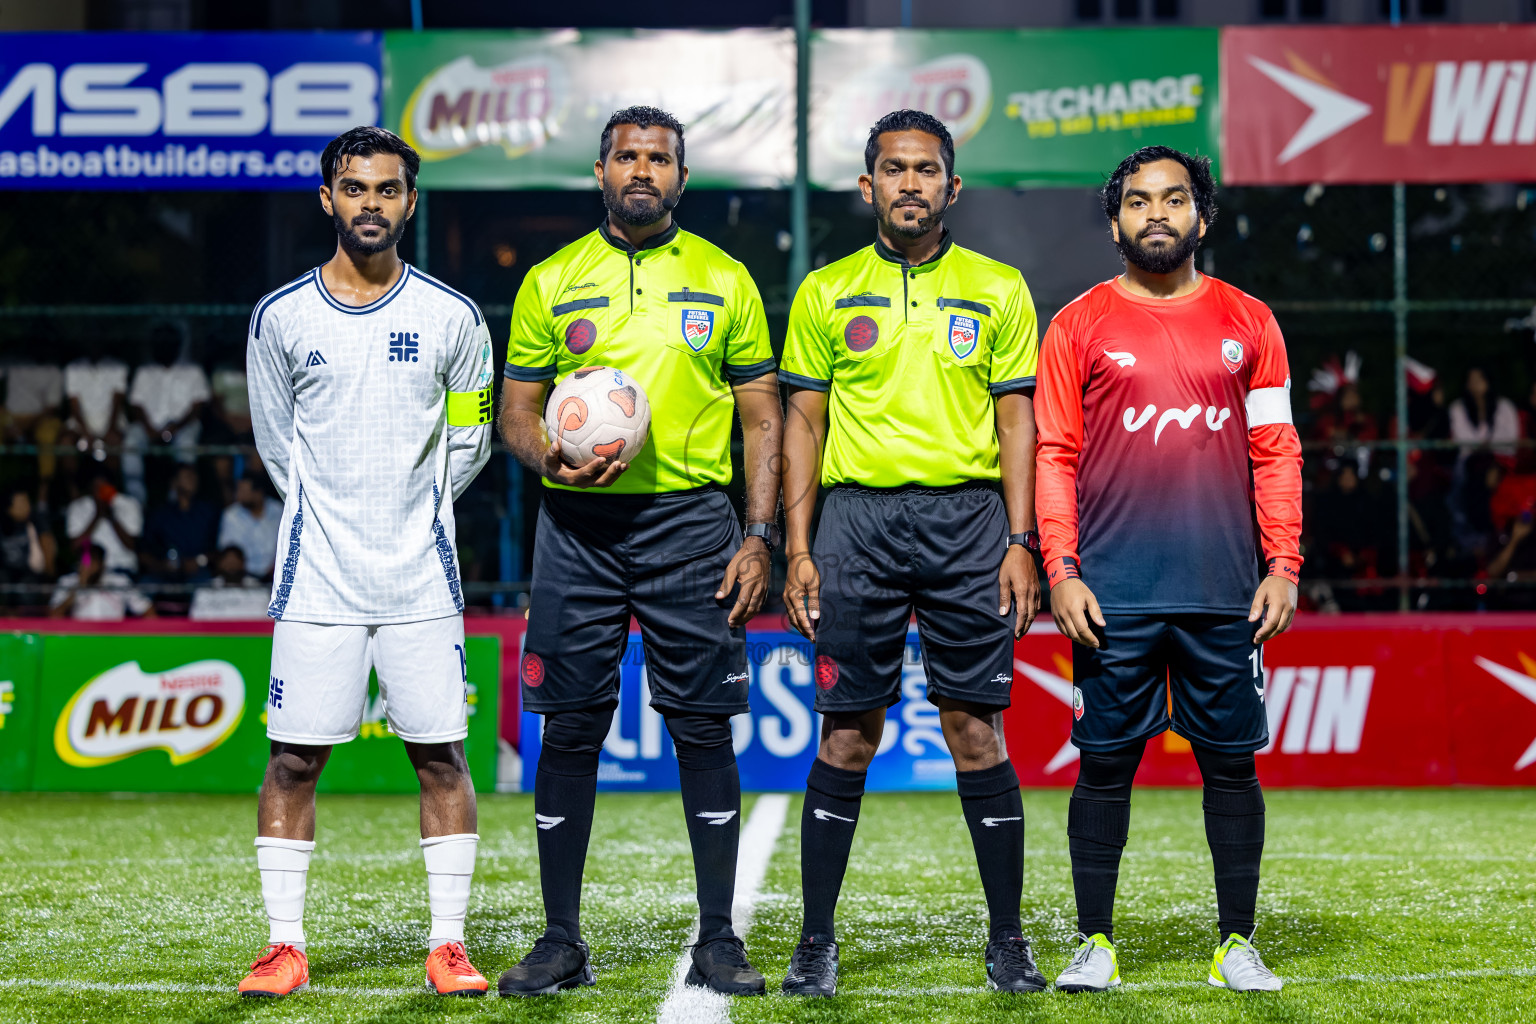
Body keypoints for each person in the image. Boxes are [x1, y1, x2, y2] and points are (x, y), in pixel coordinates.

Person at [498, 106, 782, 998]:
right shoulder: (550, 280)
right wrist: (549, 454)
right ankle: (559, 940)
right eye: (628, 156)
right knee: (571, 728)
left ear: (682, 179)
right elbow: (514, 409)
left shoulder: (725, 277)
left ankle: (720, 939)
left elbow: (763, 415)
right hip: (576, 527)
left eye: (661, 158)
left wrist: (759, 533)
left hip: (691, 523)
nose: (644, 169)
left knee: (701, 725)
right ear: (600, 171)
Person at [777, 109, 1046, 996]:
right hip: (856, 524)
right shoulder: (823, 291)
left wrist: (1019, 540)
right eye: (893, 169)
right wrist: (799, 547)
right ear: (868, 187)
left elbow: (1018, 422)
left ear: (951, 187)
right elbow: (803, 425)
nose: (909, 184)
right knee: (848, 733)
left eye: (926, 170)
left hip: (971, 526)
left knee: (976, 730)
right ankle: (817, 940)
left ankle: (1007, 937)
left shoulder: (1000, 287)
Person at [1035, 146, 1302, 993]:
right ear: (1115, 221)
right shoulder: (1077, 325)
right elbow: (1054, 454)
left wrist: (1284, 562)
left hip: (1227, 594)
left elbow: (1276, 452)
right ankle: (1096, 942)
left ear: (1202, 216)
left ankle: (1237, 943)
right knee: (1104, 765)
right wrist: (1062, 567)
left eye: (1175, 199)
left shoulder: (1250, 322)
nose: (1158, 213)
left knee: (1232, 766)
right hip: (1110, 596)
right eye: (1140, 201)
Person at [240, 126, 495, 999]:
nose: (372, 204)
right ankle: (283, 947)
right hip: (318, 578)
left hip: (423, 576)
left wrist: (411, 511)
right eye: (355, 189)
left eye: (388, 190)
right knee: (294, 762)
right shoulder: (280, 319)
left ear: (410, 202)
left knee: (441, 758)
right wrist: (336, 514)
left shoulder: (454, 318)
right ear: (328, 198)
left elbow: (472, 437)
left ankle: (450, 945)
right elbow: (279, 448)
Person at [123, 325, 210, 503]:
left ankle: (178, 499)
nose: (165, 347)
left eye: (169, 344)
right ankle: (137, 501)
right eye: (160, 344)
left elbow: (197, 406)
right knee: (130, 442)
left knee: (186, 445)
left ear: (179, 345)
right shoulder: (144, 372)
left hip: (183, 427)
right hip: (149, 427)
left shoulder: (193, 371)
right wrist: (149, 429)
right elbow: (136, 405)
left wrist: (175, 428)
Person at [139, 464, 220, 587]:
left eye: (194, 476)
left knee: (207, 583)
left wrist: (199, 561)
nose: (192, 480)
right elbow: (144, 552)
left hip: (198, 572)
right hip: (164, 573)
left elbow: (217, 549)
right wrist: (160, 565)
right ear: (174, 482)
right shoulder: (159, 514)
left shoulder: (208, 512)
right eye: (187, 476)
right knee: (146, 583)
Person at [63, 465, 142, 576]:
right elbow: (75, 547)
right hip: (88, 571)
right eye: (96, 488)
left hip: (121, 569)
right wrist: (97, 516)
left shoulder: (129, 505)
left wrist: (111, 516)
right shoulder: (78, 507)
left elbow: (132, 545)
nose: (100, 493)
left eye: (104, 488)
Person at [1, 358, 65, 489]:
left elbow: (51, 407)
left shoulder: (52, 369)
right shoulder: (12, 359)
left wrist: (28, 425)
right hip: (10, 416)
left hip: (40, 418)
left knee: (48, 434)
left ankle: (43, 498)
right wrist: (9, 423)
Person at [48, 542, 154, 621]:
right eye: (84, 562)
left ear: (102, 564)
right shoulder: (67, 582)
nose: (88, 567)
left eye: (93, 562)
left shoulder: (119, 582)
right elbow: (53, 617)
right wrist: (78, 589)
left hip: (112, 638)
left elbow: (148, 610)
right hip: (79, 638)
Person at [218, 470, 284, 581]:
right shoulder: (230, 515)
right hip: (242, 577)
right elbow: (227, 551)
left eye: (243, 491)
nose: (237, 495)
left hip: (276, 574)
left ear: (258, 493)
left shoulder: (279, 511)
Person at [1449, 366, 1519, 465]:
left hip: (1501, 460)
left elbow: (1510, 439)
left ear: (1488, 381)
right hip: (1470, 462)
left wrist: (1490, 450)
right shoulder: (1457, 408)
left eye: (1479, 379)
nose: (1476, 384)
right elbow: (1462, 441)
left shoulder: (1505, 406)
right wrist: (1481, 450)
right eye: (1471, 380)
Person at [0, 486, 52, 608]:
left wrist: (49, 580)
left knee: (27, 587)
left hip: (30, 574)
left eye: (27, 501)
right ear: (9, 508)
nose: (27, 506)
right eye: (21, 503)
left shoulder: (36, 522)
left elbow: (48, 557)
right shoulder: (2, 525)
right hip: (5, 574)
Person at [189, 545, 271, 621]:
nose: (231, 566)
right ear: (219, 564)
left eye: (235, 561)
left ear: (243, 563)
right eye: (227, 562)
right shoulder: (205, 591)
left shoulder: (260, 591)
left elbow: (266, 620)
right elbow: (197, 620)